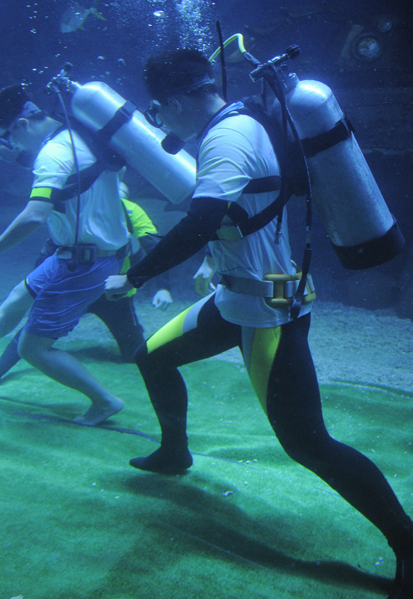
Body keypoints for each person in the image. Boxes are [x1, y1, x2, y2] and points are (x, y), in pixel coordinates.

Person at [104, 48, 413, 598]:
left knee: (309, 443)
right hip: (237, 301)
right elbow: (234, 214)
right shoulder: (240, 123)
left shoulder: (227, 137)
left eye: (158, 110)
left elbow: (200, 220)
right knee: (152, 356)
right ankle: (175, 451)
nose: (159, 123)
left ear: (174, 101)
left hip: (268, 312)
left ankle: (410, 544)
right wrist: (209, 261)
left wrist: (135, 274)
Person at [0, 84, 131, 426]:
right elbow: (72, 173)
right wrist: (15, 155)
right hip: (78, 254)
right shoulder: (76, 136)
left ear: (22, 125)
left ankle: (104, 401)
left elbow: (33, 216)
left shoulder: (53, 154)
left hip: (85, 262)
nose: (11, 144)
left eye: (8, 137)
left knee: (32, 348)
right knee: (18, 297)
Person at [0, 195, 172, 387]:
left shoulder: (130, 210)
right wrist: (41, 288)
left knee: (134, 353)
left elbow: (156, 247)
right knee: (36, 327)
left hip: (115, 294)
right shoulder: (78, 208)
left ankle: (144, 339)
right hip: (77, 287)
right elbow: (50, 250)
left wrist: (163, 287)